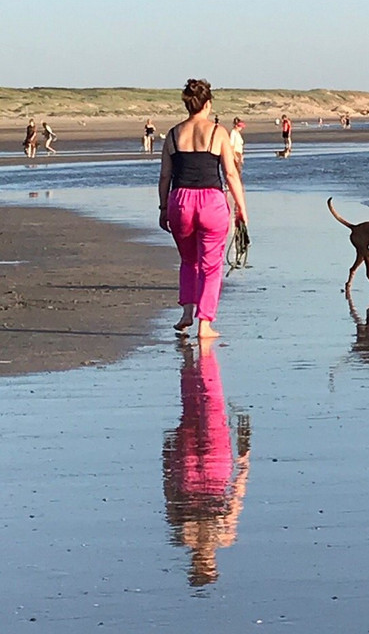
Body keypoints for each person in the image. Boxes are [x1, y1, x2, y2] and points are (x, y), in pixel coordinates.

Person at [158, 79, 249, 339]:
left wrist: (164, 208)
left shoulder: (174, 133)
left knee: (188, 261)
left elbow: (165, 176)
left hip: (180, 200)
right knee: (211, 266)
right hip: (211, 201)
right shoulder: (218, 132)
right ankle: (204, 324)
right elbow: (230, 174)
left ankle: (187, 312)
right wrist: (241, 208)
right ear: (207, 104)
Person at [163, 340, 250, 585]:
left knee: (195, 413)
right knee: (206, 412)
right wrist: (244, 465)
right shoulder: (222, 537)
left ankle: (195, 363)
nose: (204, 561)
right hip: (209, 474)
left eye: (202, 566)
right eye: (208, 565)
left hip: (195, 476)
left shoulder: (184, 537)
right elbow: (235, 500)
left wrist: (167, 462)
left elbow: (170, 498)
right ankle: (198, 363)